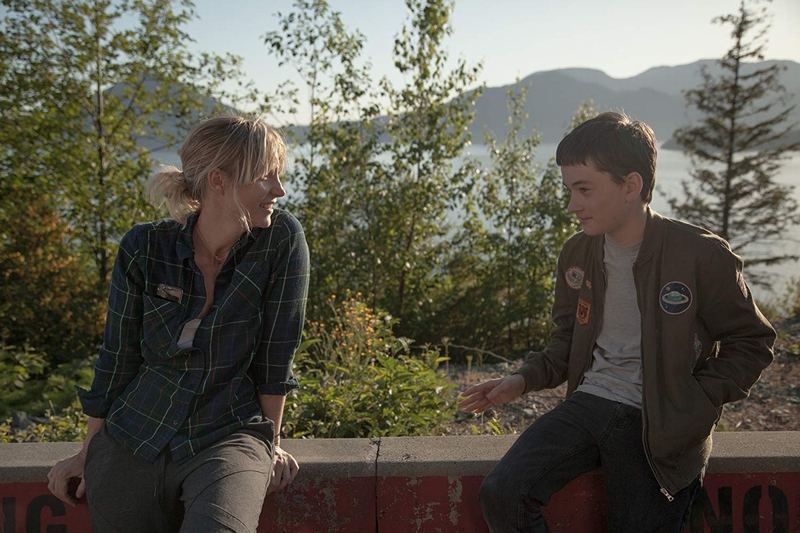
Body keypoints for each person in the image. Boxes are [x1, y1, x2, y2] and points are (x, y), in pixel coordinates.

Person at [459, 112, 775, 533]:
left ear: (630, 186)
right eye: (570, 190)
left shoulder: (700, 253)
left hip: (661, 423)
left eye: (584, 190)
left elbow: (752, 341)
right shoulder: (577, 253)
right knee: (503, 494)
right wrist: (522, 380)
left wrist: (696, 402)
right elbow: (566, 340)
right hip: (589, 404)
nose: (572, 205)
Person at [47, 113, 309, 533]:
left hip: (229, 431)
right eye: (266, 176)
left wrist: (271, 442)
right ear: (219, 180)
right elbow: (118, 355)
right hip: (134, 434)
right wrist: (87, 451)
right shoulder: (145, 246)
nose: (279, 190)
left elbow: (277, 354)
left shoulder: (280, 240)